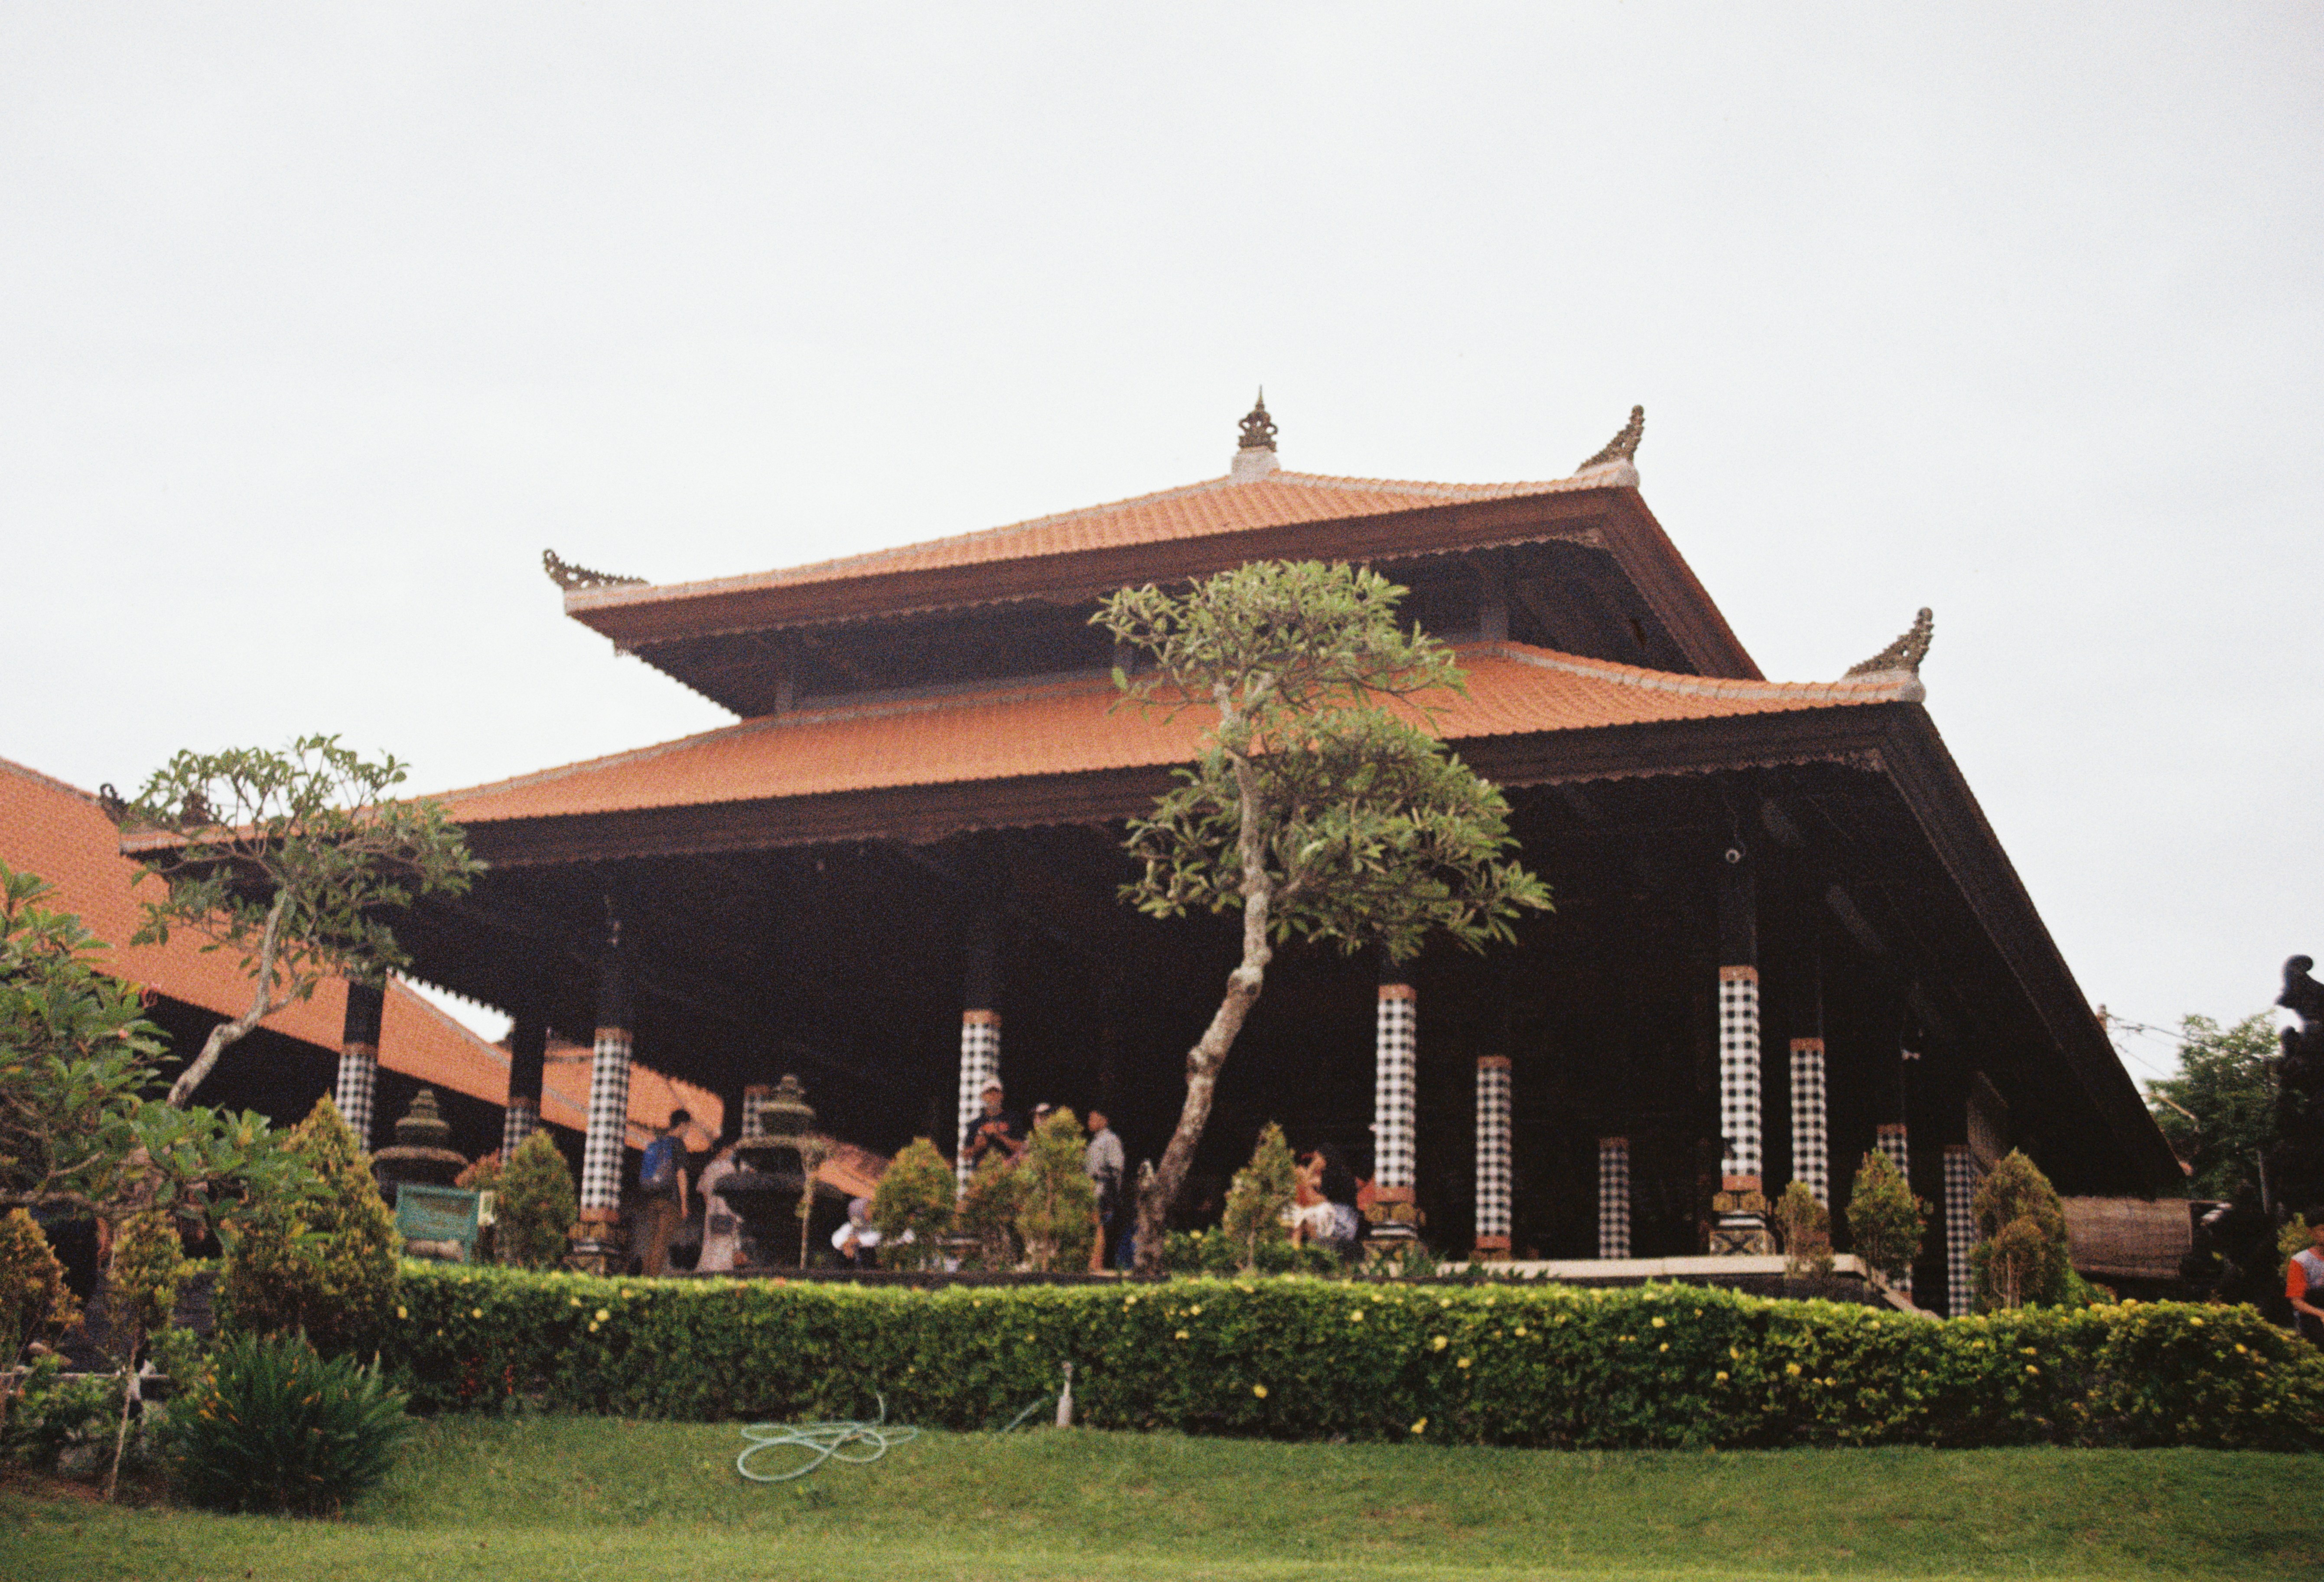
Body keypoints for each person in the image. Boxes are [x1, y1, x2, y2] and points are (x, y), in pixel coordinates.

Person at [636, 1109, 692, 1277]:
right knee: (661, 1243)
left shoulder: (658, 1144)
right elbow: (681, 1175)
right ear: (682, 1125)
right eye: (688, 1127)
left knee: (651, 1242)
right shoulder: (678, 1145)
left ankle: (643, 1279)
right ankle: (651, 1281)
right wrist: (684, 1203)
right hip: (670, 1201)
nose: (688, 1131)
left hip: (652, 1198)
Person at [694, 1139, 744, 1273]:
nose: (731, 1152)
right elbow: (735, 1192)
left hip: (712, 1212)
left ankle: (707, 1270)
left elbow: (704, 1193)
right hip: (727, 1210)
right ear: (723, 1150)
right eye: (729, 1149)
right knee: (725, 1242)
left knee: (711, 1242)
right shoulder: (728, 1167)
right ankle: (721, 1271)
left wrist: (712, 1206)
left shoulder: (709, 1168)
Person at [1084, 1109, 1125, 1270]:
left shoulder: (1111, 1140)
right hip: (1091, 1192)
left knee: (1100, 1230)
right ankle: (1093, 1265)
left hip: (1104, 1192)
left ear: (1105, 1120)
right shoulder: (1094, 1142)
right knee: (1093, 1230)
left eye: (1094, 1118)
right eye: (1090, 1118)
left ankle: (1098, 1266)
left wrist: (1097, 1179)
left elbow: (1116, 1168)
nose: (1090, 1121)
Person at [965, 1081, 1027, 1169]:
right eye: (989, 1093)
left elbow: (1023, 1148)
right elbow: (965, 1155)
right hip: (983, 1174)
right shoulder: (976, 1124)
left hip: (1007, 1172)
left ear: (1002, 1096)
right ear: (983, 1097)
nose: (993, 1096)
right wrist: (977, 1147)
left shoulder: (1013, 1119)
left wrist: (1000, 1136)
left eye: (996, 1092)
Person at [2288, 1210, 2324, 1346]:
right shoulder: (2301, 1261)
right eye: (2322, 1230)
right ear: (2311, 1232)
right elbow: (2297, 1302)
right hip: (2312, 1315)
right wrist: (2321, 1314)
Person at [831, 1196, 884, 1268]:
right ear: (858, 1212)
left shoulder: (877, 1225)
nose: (871, 1211)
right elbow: (837, 1238)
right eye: (867, 1209)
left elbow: (878, 1237)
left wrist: (856, 1240)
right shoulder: (850, 1227)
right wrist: (846, 1244)